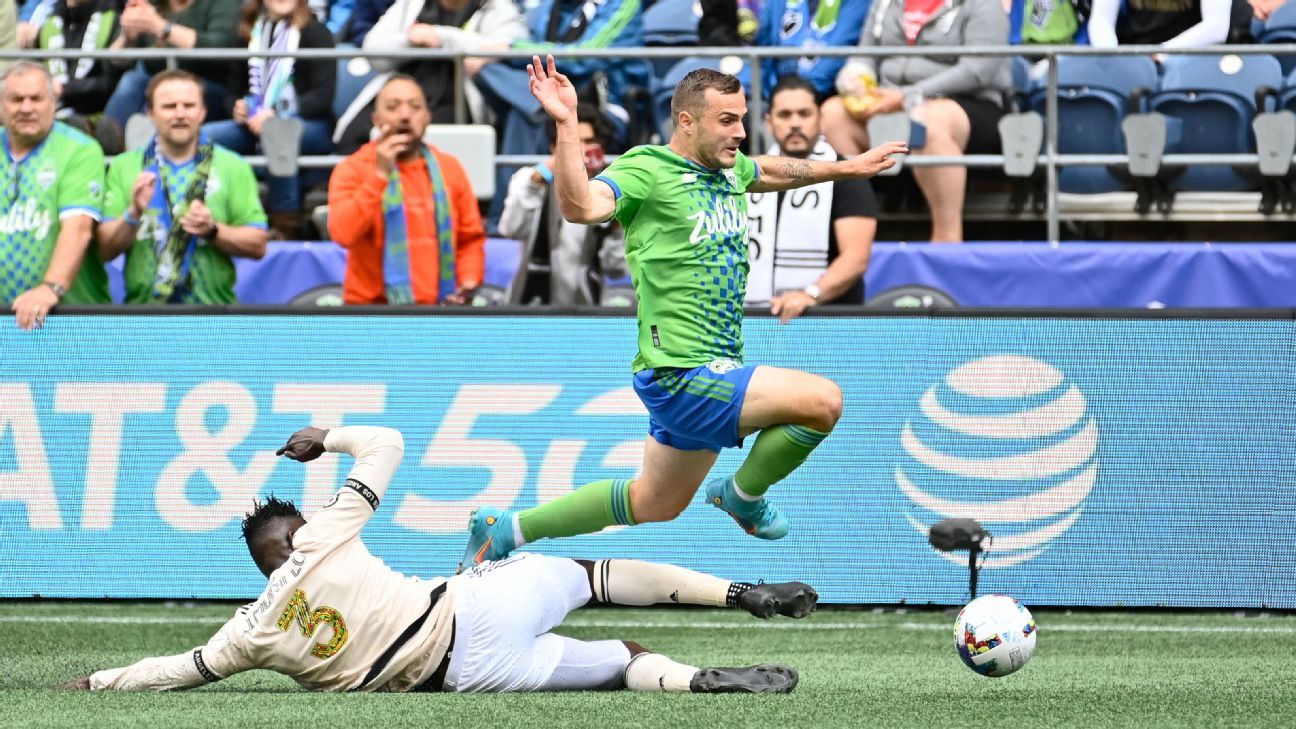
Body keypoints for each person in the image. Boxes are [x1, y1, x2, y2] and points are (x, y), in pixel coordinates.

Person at [458, 56, 905, 572]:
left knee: (656, 503)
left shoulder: (727, 169)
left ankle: (505, 529)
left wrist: (846, 168)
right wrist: (565, 126)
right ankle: (741, 495)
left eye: (741, 118)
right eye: (727, 121)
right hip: (682, 373)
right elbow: (580, 207)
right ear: (687, 121)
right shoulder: (646, 169)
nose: (740, 131)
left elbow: (770, 168)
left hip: (709, 366)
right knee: (822, 402)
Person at [67, 424, 811, 694]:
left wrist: (98, 678)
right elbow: (387, 441)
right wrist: (321, 437)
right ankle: (737, 591)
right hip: (469, 608)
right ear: (297, 535)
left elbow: (180, 669)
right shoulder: (325, 534)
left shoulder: (249, 631)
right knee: (595, 579)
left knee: (623, 661)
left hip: (465, 677)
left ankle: (690, 682)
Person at [821, 0, 1010, 243]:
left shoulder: (983, 4)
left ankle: (947, 238)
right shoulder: (885, 3)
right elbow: (865, 54)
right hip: (891, 100)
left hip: (968, 103)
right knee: (834, 113)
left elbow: (977, 70)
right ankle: (857, 227)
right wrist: (857, 81)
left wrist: (909, 97)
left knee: (928, 120)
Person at [97, 70, 269, 304]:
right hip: (145, 319)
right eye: (169, 106)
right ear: (150, 113)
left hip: (213, 317)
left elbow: (258, 244)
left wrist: (213, 231)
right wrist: (133, 213)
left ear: (203, 112)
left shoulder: (233, 165)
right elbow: (105, 250)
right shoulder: (125, 166)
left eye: (188, 105)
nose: (180, 114)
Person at [328, 75, 486, 305]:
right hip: (369, 314)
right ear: (376, 119)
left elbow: (470, 238)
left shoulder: (449, 168)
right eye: (393, 107)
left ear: (427, 118)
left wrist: (469, 280)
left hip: (440, 311)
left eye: (415, 107)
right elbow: (343, 234)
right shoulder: (352, 169)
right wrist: (379, 176)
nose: (404, 115)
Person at [746, 75, 878, 321]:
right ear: (769, 122)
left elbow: (856, 258)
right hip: (755, 322)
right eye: (785, 115)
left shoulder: (847, 175)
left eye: (804, 114)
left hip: (827, 324)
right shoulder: (749, 176)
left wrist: (810, 294)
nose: (795, 123)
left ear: (821, 119)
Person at [202, 0, 336, 238]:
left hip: (308, 124)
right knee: (204, 137)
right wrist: (237, 107)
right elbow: (232, 89)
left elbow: (322, 98)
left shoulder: (316, 32)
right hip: (252, 123)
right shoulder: (247, 34)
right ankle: (210, 215)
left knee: (277, 132)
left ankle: (286, 226)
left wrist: (275, 114)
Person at [333, 0, 525, 155]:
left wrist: (440, 37)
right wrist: (408, 40)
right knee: (354, 135)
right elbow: (373, 51)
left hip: (459, 99)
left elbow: (510, 49)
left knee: (436, 147)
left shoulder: (498, 7)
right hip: (404, 85)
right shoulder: (411, 4)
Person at [0, 61, 109, 329]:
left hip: (68, 319)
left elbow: (78, 229)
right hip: (4, 320)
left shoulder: (79, 150)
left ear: (53, 101)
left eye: (36, 98)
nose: (26, 108)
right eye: (16, 99)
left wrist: (49, 288)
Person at [498, 103, 626, 305]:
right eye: (573, 142)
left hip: (587, 310)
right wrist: (537, 180)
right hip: (530, 305)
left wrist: (619, 226)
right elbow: (511, 229)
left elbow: (616, 268)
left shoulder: (610, 191)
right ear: (554, 147)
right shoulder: (528, 179)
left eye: (588, 142)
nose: (580, 150)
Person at [104, 0, 241, 128]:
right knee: (132, 81)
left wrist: (160, 27)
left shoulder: (220, 3)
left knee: (165, 93)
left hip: (209, 86)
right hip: (153, 82)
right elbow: (112, 65)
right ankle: (110, 145)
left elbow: (220, 47)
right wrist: (127, 36)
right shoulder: (151, 4)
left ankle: (150, 143)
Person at [35, 0, 126, 154]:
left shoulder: (115, 18)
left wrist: (65, 89)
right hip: (51, 110)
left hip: (96, 112)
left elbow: (112, 82)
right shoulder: (49, 21)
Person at [753, 0, 868, 102]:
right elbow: (763, 44)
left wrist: (800, 94)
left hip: (824, 94)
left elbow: (838, 52)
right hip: (775, 91)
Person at [1087, 0, 1231, 47]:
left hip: (1192, 55)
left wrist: (1162, 52)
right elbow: (1101, 18)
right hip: (1135, 52)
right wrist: (1111, 55)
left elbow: (1216, 27)